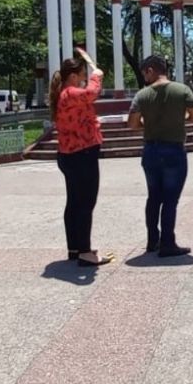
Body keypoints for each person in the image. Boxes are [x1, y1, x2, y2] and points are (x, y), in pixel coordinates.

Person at [128, 55, 193, 257]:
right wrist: (178, 121)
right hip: (174, 151)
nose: (144, 77)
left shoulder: (142, 95)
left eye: (144, 73)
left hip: (151, 150)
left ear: (150, 70)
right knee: (170, 200)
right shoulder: (182, 90)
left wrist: (149, 125)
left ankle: (153, 240)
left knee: (154, 197)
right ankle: (168, 243)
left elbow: (133, 124)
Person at [49, 49, 111, 266]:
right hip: (82, 154)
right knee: (86, 202)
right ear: (73, 76)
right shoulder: (71, 93)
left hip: (71, 154)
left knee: (75, 202)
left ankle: (75, 248)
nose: (85, 76)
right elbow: (91, 93)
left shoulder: (64, 94)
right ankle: (85, 251)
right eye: (82, 74)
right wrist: (98, 75)